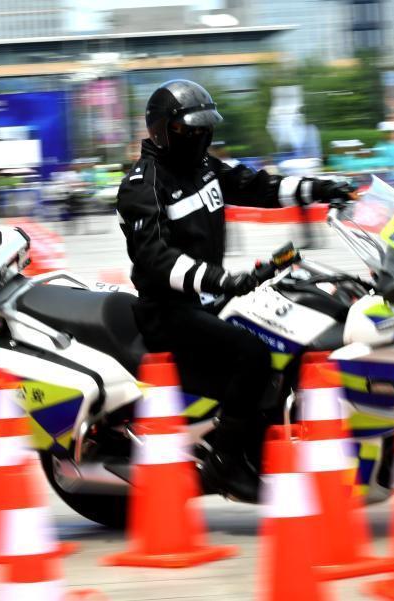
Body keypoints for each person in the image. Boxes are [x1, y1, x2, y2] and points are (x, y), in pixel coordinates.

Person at [116, 80, 354, 502]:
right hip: (169, 309)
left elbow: (258, 186)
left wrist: (319, 189)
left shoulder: (203, 167)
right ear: (164, 130)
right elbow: (155, 257)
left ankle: (265, 440)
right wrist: (219, 279)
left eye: (204, 128)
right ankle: (224, 463)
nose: (200, 135)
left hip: (211, 298)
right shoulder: (143, 184)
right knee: (254, 354)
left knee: (293, 330)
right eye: (191, 129)